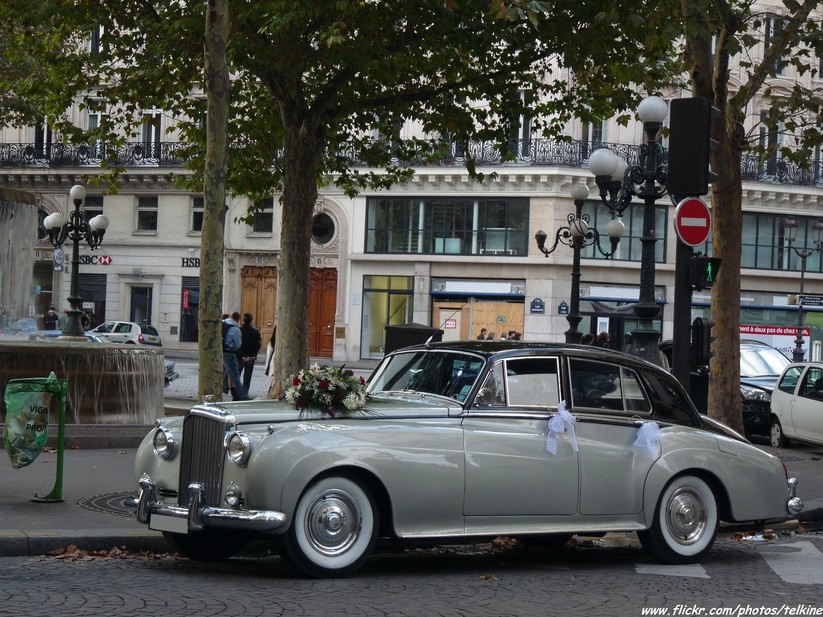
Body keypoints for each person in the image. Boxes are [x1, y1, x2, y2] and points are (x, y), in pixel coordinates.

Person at [222, 312, 249, 401]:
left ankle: (228, 392)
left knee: (224, 373)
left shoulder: (222, 323)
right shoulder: (235, 329)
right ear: (238, 320)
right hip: (228, 353)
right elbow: (237, 345)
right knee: (234, 374)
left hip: (219, 352)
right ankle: (243, 395)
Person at [237, 312, 262, 393]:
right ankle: (245, 392)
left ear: (243, 320)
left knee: (237, 375)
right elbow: (258, 345)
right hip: (251, 358)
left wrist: (242, 355)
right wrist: (250, 355)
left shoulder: (238, 330)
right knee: (247, 377)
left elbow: (237, 345)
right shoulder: (255, 331)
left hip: (240, 357)